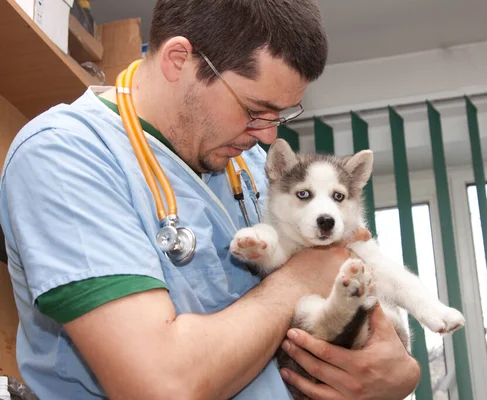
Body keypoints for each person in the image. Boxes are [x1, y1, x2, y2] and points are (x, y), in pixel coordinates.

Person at [0, 0, 421, 399]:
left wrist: (400, 372)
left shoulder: (254, 166)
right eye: (255, 109)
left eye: (282, 115)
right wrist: (298, 279)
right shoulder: (67, 156)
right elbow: (160, 384)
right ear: (178, 60)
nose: (270, 135)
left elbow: (361, 296)